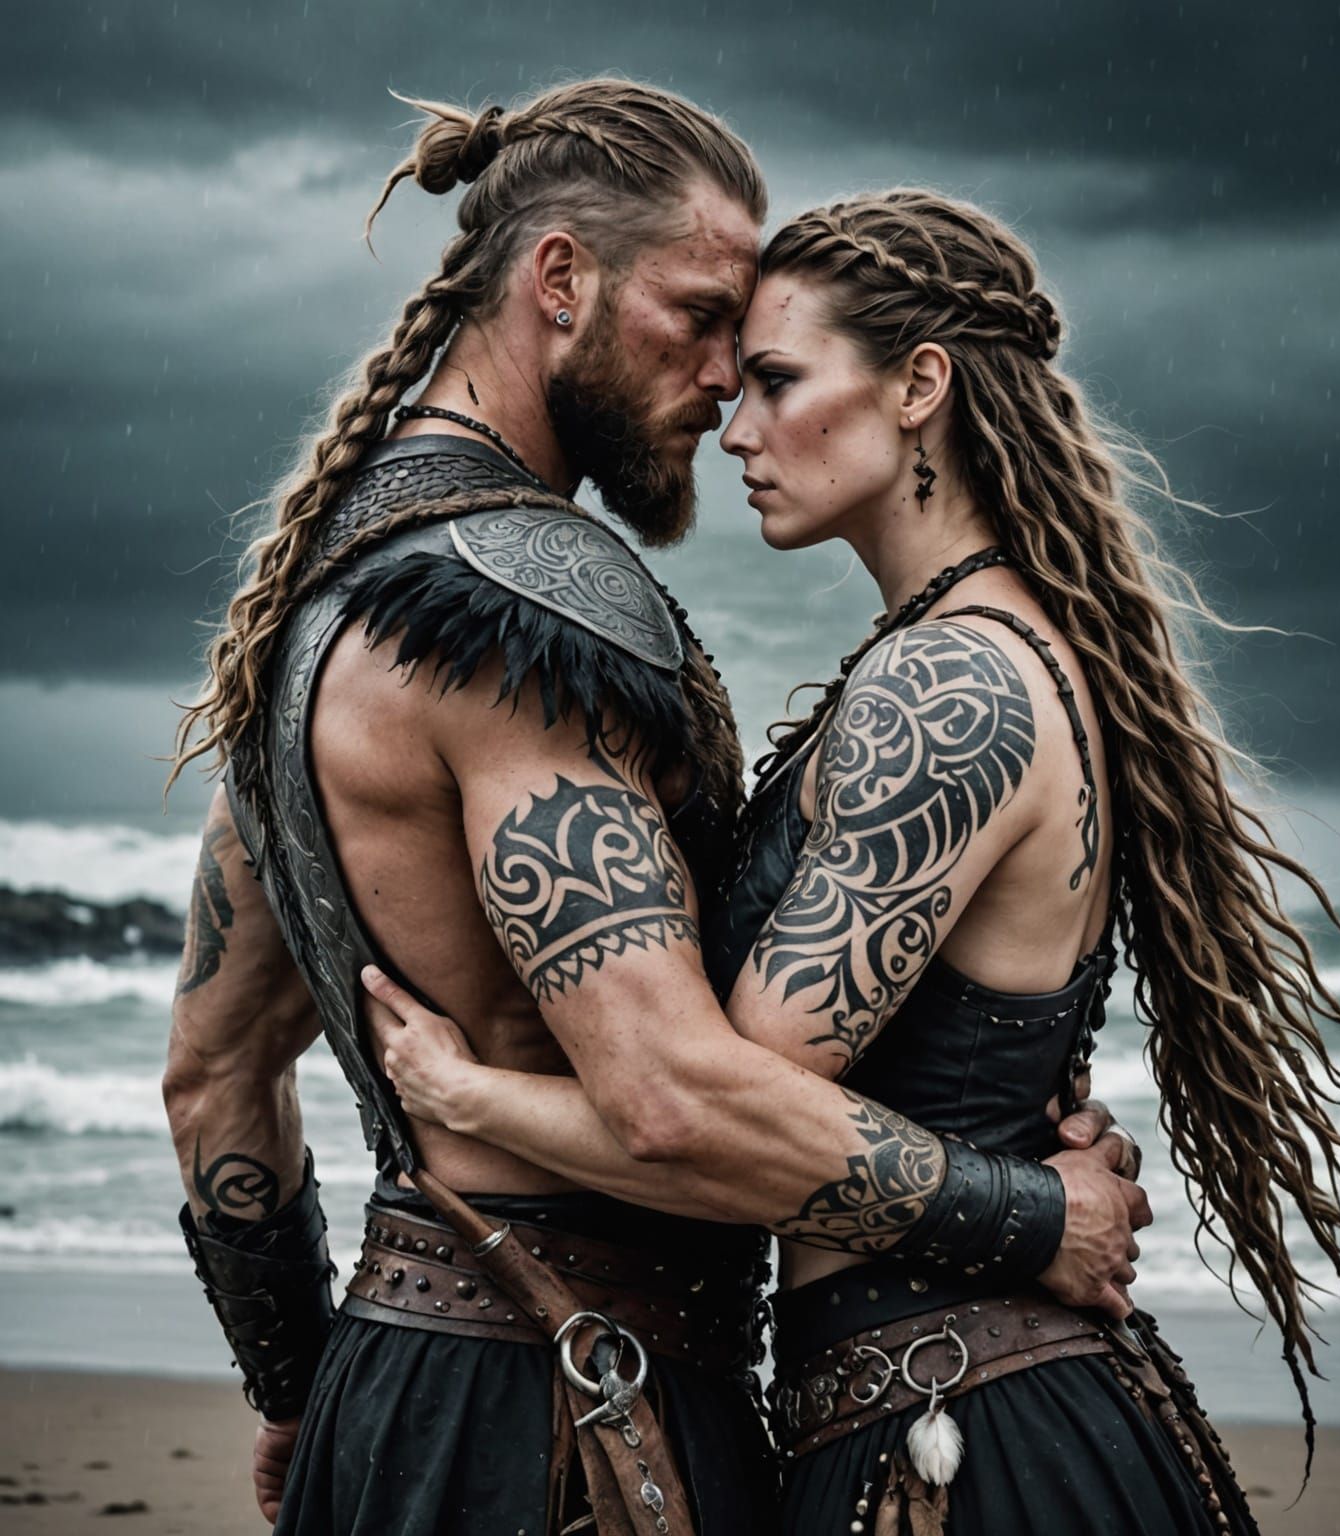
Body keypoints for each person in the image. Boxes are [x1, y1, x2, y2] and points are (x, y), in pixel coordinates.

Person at [162, 87, 1145, 1536]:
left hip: (388, 1389)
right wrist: (1033, 1214)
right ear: (560, 282)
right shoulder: (522, 609)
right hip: (582, 1410)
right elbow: (679, 1098)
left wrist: (301, 1388)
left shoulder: (307, 614)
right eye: (696, 318)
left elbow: (211, 1076)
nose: (719, 382)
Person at [370, 188, 1340, 1534]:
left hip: (961, 1442)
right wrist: (1036, 1194)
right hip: (971, 1402)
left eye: (779, 381)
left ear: (920, 386)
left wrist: (465, 1100)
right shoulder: (992, 648)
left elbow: (707, 1122)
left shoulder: (949, 686)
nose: (735, 427)